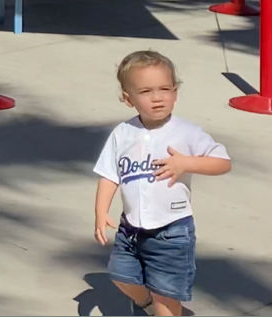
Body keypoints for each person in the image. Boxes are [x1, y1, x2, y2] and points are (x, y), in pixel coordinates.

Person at [93, 50, 232, 316]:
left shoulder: (186, 132)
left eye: (165, 89)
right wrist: (100, 212)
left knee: (165, 296)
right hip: (130, 229)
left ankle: (159, 307)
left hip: (171, 231)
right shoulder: (123, 133)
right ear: (127, 99)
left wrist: (187, 164)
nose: (157, 98)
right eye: (146, 91)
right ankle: (146, 304)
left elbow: (222, 162)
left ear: (175, 92)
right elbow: (109, 174)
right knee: (120, 276)